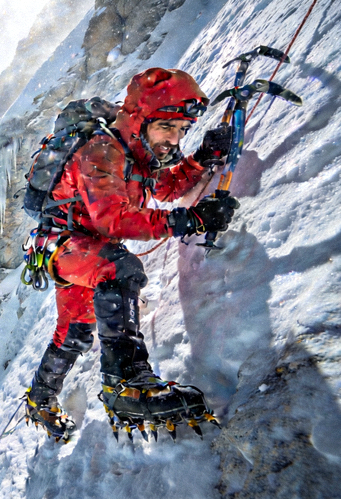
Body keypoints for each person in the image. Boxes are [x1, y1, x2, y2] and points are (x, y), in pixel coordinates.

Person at [24, 67, 240, 441]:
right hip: (64, 244)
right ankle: (126, 385)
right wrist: (190, 221)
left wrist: (203, 156)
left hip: (77, 245)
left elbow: (169, 187)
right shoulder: (102, 150)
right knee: (120, 269)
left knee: (74, 330)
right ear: (142, 119)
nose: (173, 140)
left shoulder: (136, 156)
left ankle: (40, 399)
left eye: (181, 131)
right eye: (167, 127)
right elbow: (112, 220)